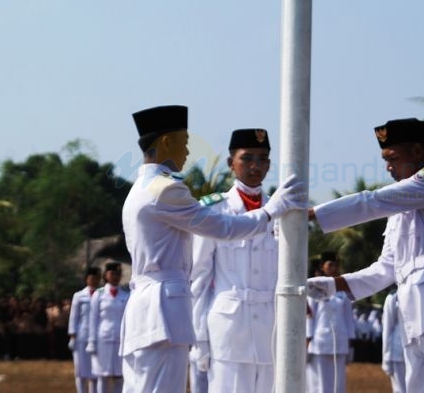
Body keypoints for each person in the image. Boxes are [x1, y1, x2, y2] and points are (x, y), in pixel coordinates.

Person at [119, 105, 306, 393]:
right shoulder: (166, 189)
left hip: (149, 312)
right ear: (167, 142)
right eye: (185, 142)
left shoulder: (141, 187)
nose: (187, 152)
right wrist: (272, 211)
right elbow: (224, 230)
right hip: (167, 314)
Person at [306, 118, 424, 393]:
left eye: (393, 157)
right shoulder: (399, 211)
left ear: (418, 153)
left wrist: (316, 213)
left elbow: (373, 201)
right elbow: (385, 269)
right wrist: (329, 285)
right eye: (385, 159)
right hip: (411, 316)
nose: (388, 167)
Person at [190, 128, 279, 393]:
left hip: (270, 330)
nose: (255, 165)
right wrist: (200, 340)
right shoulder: (213, 210)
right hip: (228, 329)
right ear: (232, 163)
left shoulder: (280, 212)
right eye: (247, 157)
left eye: (262, 158)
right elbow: (199, 278)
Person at [306, 252, 356, 393]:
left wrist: (350, 342)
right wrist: (307, 341)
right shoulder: (314, 288)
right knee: (319, 383)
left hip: (340, 341)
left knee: (338, 383)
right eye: (330, 264)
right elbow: (310, 316)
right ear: (322, 267)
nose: (334, 268)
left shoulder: (343, 290)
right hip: (319, 341)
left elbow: (348, 318)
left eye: (336, 265)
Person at [87, 262, 129, 393]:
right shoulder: (98, 294)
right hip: (103, 339)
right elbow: (93, 319)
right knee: (103, 375)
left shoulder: (126, 294)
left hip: (120, 339)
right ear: (106, 275)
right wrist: (92, 342)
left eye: (118, 274)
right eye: (112, 273)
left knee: (119, 375)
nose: (115, 276)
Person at [68, 267, 101, 393]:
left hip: (97, 337)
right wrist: (72, 336)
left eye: (97, 278)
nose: (94, 281)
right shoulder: (78, 295)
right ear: (86, 279)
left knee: (94, 370)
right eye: (92, 278)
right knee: (80, 370)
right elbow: (73, 317)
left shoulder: (102, 294)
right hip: (81, 336)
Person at [382, 286, 406, 393]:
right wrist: (386, 357)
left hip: (419, 350)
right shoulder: (393, 297)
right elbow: (387, 328)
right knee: (400, 390)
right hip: (398, 350)